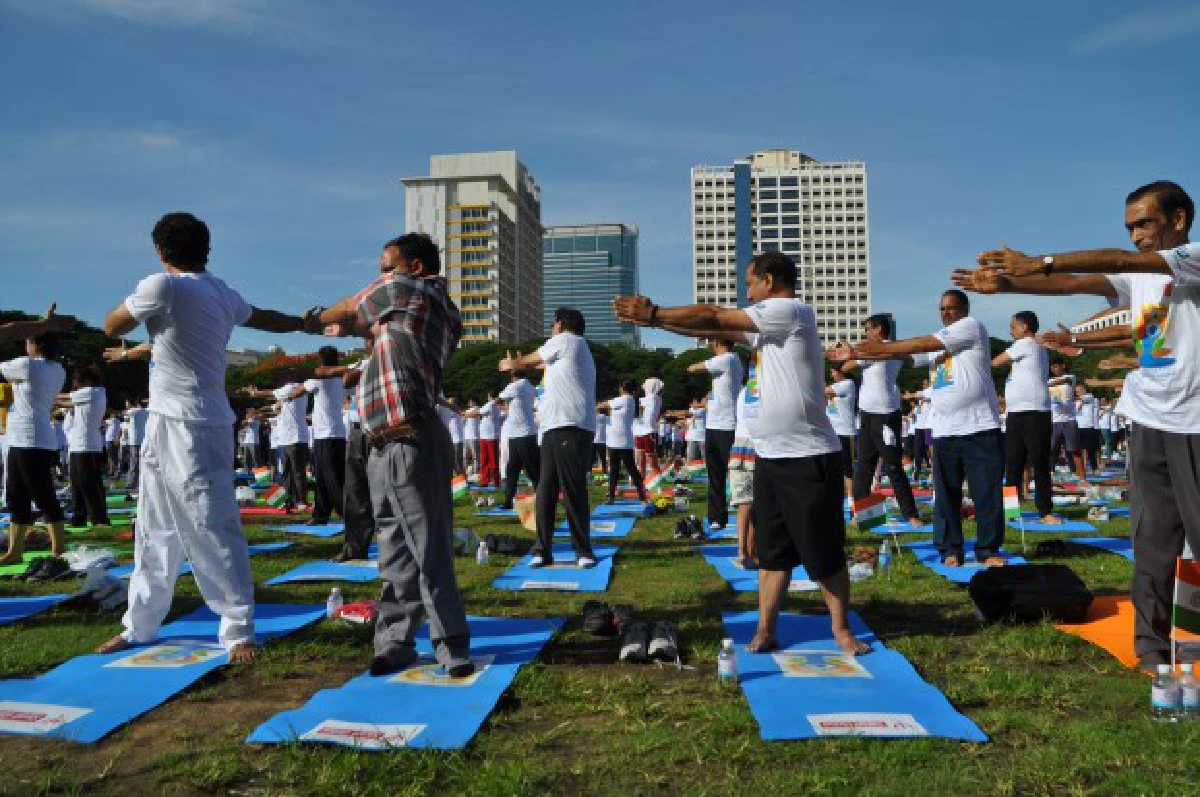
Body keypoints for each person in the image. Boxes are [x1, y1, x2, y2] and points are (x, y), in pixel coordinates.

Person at [955, 179, 1198, 673]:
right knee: (1151, 540)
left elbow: (1116, 261)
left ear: (1178, 220)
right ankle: (1151, 647)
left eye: (1145, 224)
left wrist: (1041, 261)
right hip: (1149, 417)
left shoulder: (1191, 258)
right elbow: (1075, 285)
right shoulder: (1142, 277)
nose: (1136, 236)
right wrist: (1009, 286)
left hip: (1193, 421)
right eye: (1129, 227)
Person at [616, 251, 869, 656]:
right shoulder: (767, 330)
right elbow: (711, 327)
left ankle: (841, 629)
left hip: (808, 455)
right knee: (772, 552)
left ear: (770, 280)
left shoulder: (790, 311)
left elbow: (715, 315)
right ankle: (766, 629)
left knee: (823, 552)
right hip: (771, 455)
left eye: (750, 283)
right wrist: (655, 322)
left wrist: (655, 312)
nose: (747, 293)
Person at [92, 212, 311, 661]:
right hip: (166, 421)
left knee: (212, 524)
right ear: (205, 248)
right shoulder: (220, 292)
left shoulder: (163, 286)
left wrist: (130, 309)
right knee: (153, 527)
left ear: (160, 250)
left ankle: (237, 628)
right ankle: (139, 625)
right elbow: (263, 317)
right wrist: (299, 323)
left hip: (195, 425)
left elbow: (112, 326)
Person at [314, 232, 472, 677]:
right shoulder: (411, 308)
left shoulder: (412, 291)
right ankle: (395, 642)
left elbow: (349, 309)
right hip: (385, 440)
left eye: (387, 268)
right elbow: (363, 324)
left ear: (415, 267)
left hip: (409, 437)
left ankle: (450, 645)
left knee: (428, 548)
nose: (380, 277)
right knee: (394, 547)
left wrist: (308, 319)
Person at [834, 290, 1005, 567]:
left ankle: (988, 550)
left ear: (965, 309)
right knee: (946, 495)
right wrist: (862, 351)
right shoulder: (939, 343)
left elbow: (921, 343)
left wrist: (880, 347)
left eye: (951, 308)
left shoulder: (970, 327)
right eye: (942, 309)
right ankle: (950, 549)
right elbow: (911, 358)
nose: (946, 313)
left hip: (978, 425)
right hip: (945, 429)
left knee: (985, 493)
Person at [500, 307, 597, 568]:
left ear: (560, 324)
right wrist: (522, 364)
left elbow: (532, 359)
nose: (551, 330)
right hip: (555, 427)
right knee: (546, 490)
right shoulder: (571, 350)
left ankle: (583, 550)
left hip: (569, 425)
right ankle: (542, 549)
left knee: (572, 489)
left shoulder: (567, 340)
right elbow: (542, 363)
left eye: (553, 325)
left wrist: (514, 364)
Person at [828, 314, 925, 526]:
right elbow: (844, 368)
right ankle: (862, 515)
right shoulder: (868, 351)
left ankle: (910, 514)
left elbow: (904, 358)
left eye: (868, 329)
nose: (865, 333)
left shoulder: (891, 349)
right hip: (866, 415)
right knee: (863, 466)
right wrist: (848, 354)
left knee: (893, 466)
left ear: (879, 329)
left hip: (887, 414)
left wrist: (853, 352)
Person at [0, 332, 68, 565]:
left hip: (30, 439)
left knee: (43, 495)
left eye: (27, 341)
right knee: (16, 495)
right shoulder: (58, 369)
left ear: (36, 345)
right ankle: (14, 552)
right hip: (25, 438)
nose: (25, 346)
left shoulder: (27, 365)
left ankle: (59, 550)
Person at [991, 311, 1060, 524]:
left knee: (1038, 462)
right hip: (1016, 412)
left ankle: (1045, 510)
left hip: (1034, 411)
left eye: (1013, 326)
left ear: (1024, 327)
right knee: (1013, 462)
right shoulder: (1030, 345)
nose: (1010, 330)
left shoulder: (1026, 343)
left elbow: (996, 362)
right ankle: (1011, 511)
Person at [689, 340, 743, 530]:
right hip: (713, 426)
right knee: (715, 474)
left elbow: (694, 368)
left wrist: (692, 367)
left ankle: (741, 512)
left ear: (718, 342)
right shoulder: (730, 361)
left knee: (732, 473)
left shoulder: (727, 359)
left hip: (727, 426)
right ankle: (716, 517)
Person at [300, 346, 348, 526]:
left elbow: (299, 391)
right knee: (321, 478)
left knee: (333, 479)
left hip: (327, 435)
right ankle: (321, 515)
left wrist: (288, 394)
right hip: (332, 434)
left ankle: (348, 515)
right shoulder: (341, 378)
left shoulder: (318, 380)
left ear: (321, 360)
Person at [245, 381, 310, 512]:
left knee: (297, 472)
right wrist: (258, 410)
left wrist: (255, 393)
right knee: (286, 473)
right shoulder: (292, 393)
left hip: (295, 438)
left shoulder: (292, 387)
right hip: (287, 439)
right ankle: (287, 502)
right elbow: (274, 404)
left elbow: (271, 394)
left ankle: (301, 501)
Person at [58, 366, 111, 528]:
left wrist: (43, 394)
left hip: (88, 445)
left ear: (87, 381)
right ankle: (79, 517)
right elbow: (66, 402)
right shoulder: (87, 394)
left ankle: (99, 518)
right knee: (76, 484)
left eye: (77, 381)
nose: (75, 384)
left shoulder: (94, 392)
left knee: (89, 483)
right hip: (77, 444)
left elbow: (63, 398)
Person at [497, 369, 540, 510]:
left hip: (521, 434)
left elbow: (500, 397)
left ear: (513, 376)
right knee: (529, 469)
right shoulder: (530, 386)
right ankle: (509, 500)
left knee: (515, 470)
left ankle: (510, 500)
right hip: (523, 433)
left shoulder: (516, 386)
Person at [598, 380, 646, 504]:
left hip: (619, 441)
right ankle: (641, 495)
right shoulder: (630, 400)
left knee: (617, 470)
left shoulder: (624, 399)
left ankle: (612, 497)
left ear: (622, 388)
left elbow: (603, 405)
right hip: (621, 440)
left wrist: (597, 405)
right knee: (630, 469)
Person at [1047, 360, 1087, 481]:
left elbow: (1065, 381)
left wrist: (1045, 384)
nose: (1054, 369)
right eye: (1052, 367)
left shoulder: (1070, 377)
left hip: (1069, 419)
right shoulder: (1048, 381)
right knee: (1051, 449)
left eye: (1056, 366)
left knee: (1074, 450)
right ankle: (1049, 473)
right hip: (1055, 420)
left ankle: (1082, 478)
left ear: (1062, 366)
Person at [824, 362, 858, 499]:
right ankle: (838, 494)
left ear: (841, 371)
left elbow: (826, 391)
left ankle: (850, 498)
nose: (831, 375)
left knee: (847, 467)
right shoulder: (835, 385)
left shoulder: (848, 384)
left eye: (833, 372)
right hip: (833, 432)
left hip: (846, 432)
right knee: (833, 466)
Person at [635, 377, 665, 479]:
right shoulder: (647, 399)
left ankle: (658, 481)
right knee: (640, 460)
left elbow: (638, 405)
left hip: (649, 432)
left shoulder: (655, 398)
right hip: (639, 431)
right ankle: (642, 481)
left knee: (651, 460)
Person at [124, 398, 150, 491]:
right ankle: (142, 483)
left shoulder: (133, 411)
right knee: (142, 462)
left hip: (135, 440)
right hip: (144, 439)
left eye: (127, 404)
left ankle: (132, 483)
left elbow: (124, 416)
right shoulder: (147, 411)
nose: (126, 405)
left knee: (134, 462)